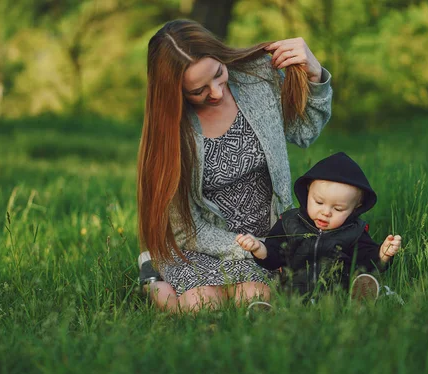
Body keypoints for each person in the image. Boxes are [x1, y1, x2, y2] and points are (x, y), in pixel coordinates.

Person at [137, 19, 333, 313]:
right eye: (198, 91)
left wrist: (315, 75)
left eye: (218, 74)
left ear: (220, 55)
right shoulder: (170, 133)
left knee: (253, 298)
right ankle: (152, 278)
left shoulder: (257, 78)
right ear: (174, 93)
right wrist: (245, 247)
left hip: (269, 239)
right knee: (200, 306)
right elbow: (183, 230)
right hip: (201, 244)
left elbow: (303, 132)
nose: (216, 92)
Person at [236, 152, 402, 299]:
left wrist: (382, 254)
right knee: (282, 295)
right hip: (295, 291)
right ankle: (271, 311)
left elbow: (367, 261)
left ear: (356, 207)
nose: (326, 212)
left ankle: (358, 298)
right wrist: (258, 248)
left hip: (336, 292)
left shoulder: (354, 232)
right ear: (308, 192)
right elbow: (273, 257)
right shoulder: (290, 222)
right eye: (319, 202)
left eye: (338, 209)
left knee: (351, 285)